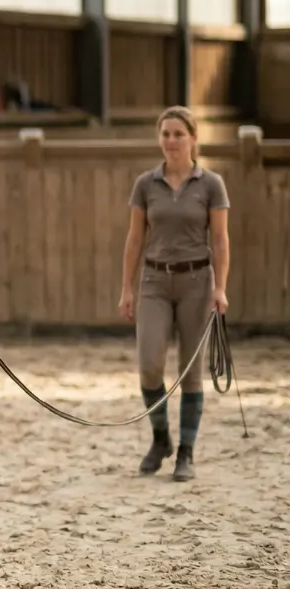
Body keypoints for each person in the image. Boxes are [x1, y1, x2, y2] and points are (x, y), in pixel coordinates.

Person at [118, 105, 230, 482]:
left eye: (178, 134)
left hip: (197, 282)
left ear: (193, 138)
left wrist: (220, 287)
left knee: (190, 370)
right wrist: (126, 289)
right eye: (165, 134)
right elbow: (135, 239)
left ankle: (187, 451)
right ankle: (161, 437)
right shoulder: (146, 184)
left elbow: (219, 239)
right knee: (149, 364)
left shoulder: (211, 184)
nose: (170, 141)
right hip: (153, 282)